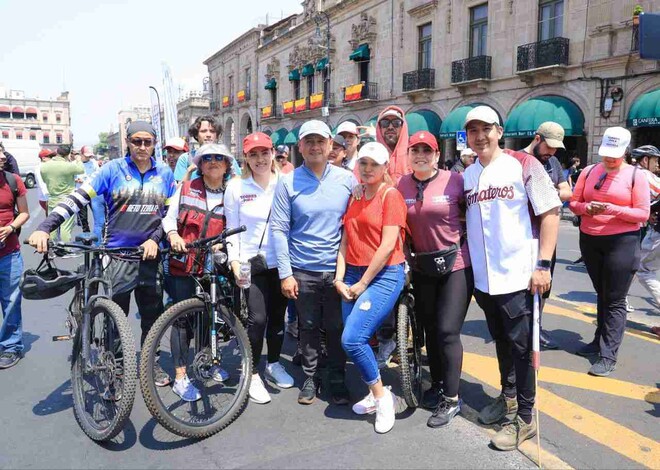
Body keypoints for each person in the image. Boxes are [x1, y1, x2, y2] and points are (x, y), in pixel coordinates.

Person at [29, 121, 176, 389]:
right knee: (115, 318)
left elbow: (168, 216)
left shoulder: (165, 173)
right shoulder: (112, 169)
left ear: (154, 143)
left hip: (150, 256)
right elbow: (77, 198)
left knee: (152, 317)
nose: (142, 147)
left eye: (148, 142)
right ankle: (117, 367)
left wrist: (155, 239)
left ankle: (149, 363)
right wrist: (45, 227)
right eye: (137, 141)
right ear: (128, 142)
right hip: (117, 257)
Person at [463, 106, 561, 450]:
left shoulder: (523, 164)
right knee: (502, 343)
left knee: (521, 349)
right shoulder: (468, 175)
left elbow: (550, 212)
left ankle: (525, 418)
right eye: (472, 131)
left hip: (521, 276)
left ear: (499, 131)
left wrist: (544, 265)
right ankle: (508, 400)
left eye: (485, 129)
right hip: (486, 280)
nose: (479, 136)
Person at [271, 119, 355, 406]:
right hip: (302, 270)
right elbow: (279, 229)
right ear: (301, 147)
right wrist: (285, 274)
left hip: (337, 270)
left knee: (336, 327)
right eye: (309, 142)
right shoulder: (287, 181)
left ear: (331, 145)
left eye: (321, 141)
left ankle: (336, 377)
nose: (316, 146)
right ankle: (310, 376)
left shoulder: (347, 179)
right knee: (307, 327)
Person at [397, 131, 473, 427]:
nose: (420, 155)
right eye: (415, 150)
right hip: (421, 266)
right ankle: (439, 384)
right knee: (429, 330)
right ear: (408, 155)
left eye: (426, 150)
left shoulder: (455, 181)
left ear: (437, 155)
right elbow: (398, 226)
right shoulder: (400, 184)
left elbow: (476, 213)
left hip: (456, 263)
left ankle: (452, 400)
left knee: (447, 331)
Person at [335, 141, 406, 433]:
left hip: (384, 274)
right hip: (352, 272)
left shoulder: (391, 196)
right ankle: (374, 391)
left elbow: (388, 245)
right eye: (363, 163)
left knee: (352, 339)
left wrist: (363, 283)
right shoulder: (355, 195)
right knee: (358, 340)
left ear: (385, 167)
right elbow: (345, 240)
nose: (367, 169)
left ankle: (382, 397)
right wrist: (339, 278)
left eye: (374, 164)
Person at [569, 127, 650, 376]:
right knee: (602, 293)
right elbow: (573, 202)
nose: (609, 159)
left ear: (625, 151)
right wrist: (586, 208)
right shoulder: (589, 171)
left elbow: (643, 214)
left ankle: (608, 354)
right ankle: (598, 341)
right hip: (591, 240)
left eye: (614, 154)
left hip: (622, 242)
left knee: (614, 299)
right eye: (606, 154)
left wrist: (613, 209)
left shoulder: (637, 176)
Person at [162, 143, 236, 401]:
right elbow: (169, 218)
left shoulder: (232, 192)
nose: (213, 162)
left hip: (213, 266)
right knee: (182, 321)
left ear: (227, 165)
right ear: (200, 165)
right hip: (184, 262)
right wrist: (172, 235)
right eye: (207, 159)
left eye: (219, 158)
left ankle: (207, 361)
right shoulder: (184, 188)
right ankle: (181, 377)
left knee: (208, 317)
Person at [224, 132, 294, 404]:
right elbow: (231, 227)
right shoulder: (236, 187)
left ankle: (274, 363)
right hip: (250, 263)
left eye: (264, 153)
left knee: (279, 320)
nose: (260, 159)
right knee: (258, 320)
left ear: (272, 152)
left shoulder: (285, 183)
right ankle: (252, 373)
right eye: (253, 154)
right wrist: (233, 261)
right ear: (246, 158)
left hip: (281, 263)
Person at [521, 122, 573, 350]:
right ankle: (521, 329)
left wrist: (548, 193)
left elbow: (567, 191)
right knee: (521, 286)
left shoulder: (551, 162)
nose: (552, 153)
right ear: (537, 139)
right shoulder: (516, 160)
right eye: (549, 146)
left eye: (555, 149)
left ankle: (536, 328)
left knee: (543, 286)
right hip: (522, 234)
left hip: (546, 234)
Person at [0, 151, 29, 369]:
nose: (3, 156)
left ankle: (11, 346)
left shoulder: (12, 179)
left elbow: (24, 213)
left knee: (11, 302)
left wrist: (11, 227)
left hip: (9, 253)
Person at [632, 145, 660, 309]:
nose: (657, 165)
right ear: (645, 160)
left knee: (643, 270)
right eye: (655, 160)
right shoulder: (643, 174)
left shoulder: (639, 174)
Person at [174, 115, 241, 182]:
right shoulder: (185, 159)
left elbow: (238, 186)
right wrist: (189, 171)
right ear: (196, 135)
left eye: (212, 131)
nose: (208, 135)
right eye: (203, 131)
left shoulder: (228, 159)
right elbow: (178, 190)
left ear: (217, 135)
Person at [39, 145, 84, 242]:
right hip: (67, 200)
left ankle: (54, 247)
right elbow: (81, 169)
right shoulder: (68, 165)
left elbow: (45, 180)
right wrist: (78, 159)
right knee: (66, 226)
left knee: (53, 225)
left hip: (52, 198)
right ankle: (65, 249)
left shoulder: (44, 166)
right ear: (68, 155)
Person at [76, 146, 105, 244]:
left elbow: (98, 175)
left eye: (90, 156)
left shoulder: (94, 163)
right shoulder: (75, 164)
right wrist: (76, 180)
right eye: (86, 156)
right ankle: (86, 235)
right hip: (80, 192)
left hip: (92, 192)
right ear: (81, 154)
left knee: (98, 215)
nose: (88, 158)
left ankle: (101, 235)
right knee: (83, 217)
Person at [375, 106, 411, 184]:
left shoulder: (413, 155)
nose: (390, 127)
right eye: (385, 123)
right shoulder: (370, 157)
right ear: (379, 128)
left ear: (402, 127)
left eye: (396, 123)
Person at [36, 148, 55, 214]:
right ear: (43, 158)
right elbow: (42, 184)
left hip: (50, 198)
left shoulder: (47, 166)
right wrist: (48, 199)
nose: (53, 158)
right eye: (51, 157)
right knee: (52, 219)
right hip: (47, 198)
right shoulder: (40, 168)